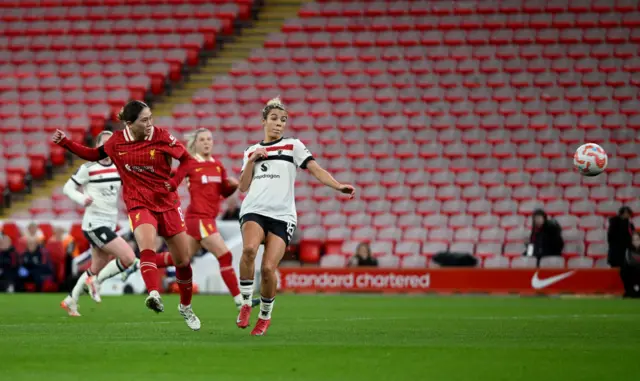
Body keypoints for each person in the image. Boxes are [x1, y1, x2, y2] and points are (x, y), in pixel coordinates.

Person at [52, 100, 201, 330]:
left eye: (151, 117)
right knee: (146, 246)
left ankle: (185, 306)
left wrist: (174, 181)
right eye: (144, 120)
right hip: (139, 203)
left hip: (168, 204)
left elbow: (187, 161)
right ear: (130, 124)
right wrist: (66, 143)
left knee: (183, 260)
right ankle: (153, 293)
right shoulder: (117, 142)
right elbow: (93, 154)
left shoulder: (161, 135)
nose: (150, 123)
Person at [234, 97, 356, 335]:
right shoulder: (250, 150)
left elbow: (316, 169)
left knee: (269, 269)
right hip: (254, 209)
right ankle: (247, 303)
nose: (279, 124)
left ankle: (265, 316)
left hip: (282, 215)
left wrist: (338, 186)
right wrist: (252, 160)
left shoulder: (294, 146)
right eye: (274, 119)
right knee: (249, 250)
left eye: (283, 120)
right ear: (263, 121)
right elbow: (242, 186)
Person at [171, 128, 259, 309]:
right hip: (198, 218)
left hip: (207, 219)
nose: (206, 142)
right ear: (195, 143)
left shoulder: (218, 166)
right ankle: (240, 301)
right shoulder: (190, 163)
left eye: (209, 139)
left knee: (180, 259)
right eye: (202, 139)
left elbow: (223, 193)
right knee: (225, 256)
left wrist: (233, 186)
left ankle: (142, 263)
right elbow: (172, 180)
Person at [59, 131, 140, 316]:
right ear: (97, 147)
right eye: (104, 144)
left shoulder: (118, 167)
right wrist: (81, 198)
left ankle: (71, 300)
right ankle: (96, 282)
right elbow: (68, 188)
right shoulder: (88, 168)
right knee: (128, 258)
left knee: (96, 267)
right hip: (94, 224)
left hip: (109, 224)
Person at [621, 231, 640, 298]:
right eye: (634, 240)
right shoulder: (628, 250)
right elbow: (629, 262)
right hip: (631, 274)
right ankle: (631, 290)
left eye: (637, 239)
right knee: (625, 269)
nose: (635, 242)